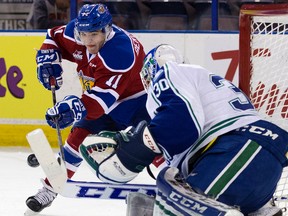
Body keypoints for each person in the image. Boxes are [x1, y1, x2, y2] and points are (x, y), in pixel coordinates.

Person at [80, 44, 288, 215]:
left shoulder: (169, 72)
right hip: (253, 161)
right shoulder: (203, 82)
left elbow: (183, 123)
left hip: (235, 150)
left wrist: (133, 151)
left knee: (176, 209)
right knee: (170, 200)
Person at [25, 3, 151, 214]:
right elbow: (52, 37)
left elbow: (99, 104)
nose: (88, 40)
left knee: (154, 142)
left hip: (138, 101)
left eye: (94, 34)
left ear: (107, 30)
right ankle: (49, 189)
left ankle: (179, 182)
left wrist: (75, 108)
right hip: (102, 97)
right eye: (84, 34)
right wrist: (47, 59)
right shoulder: (75, 33)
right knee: (78, 136)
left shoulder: (120, 53)